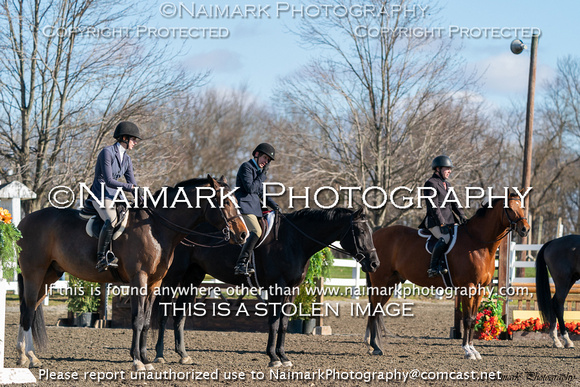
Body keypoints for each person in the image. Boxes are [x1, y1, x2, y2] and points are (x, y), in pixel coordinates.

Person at [90, 121, 141, 272]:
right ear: (124, 138)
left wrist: (142, 197)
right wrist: (128, 187)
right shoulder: (107, 152)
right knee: (111, 219)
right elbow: (109, 180)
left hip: (114, 196)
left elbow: (132, 182)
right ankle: (101, 258)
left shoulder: (127, 159)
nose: (135, 142)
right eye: (133, 139)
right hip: (100, 194)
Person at [233, 143, 280, 276]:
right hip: (244, 207)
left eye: (268, 161)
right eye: (265, 158)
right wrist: (262, 176)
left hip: (255, 208)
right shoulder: (246, 167)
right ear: (257, 154)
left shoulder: (257, 172)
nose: (266, 162)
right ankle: (241, 264)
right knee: (256, 231)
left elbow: (261, 193)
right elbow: (251, 189)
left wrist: (274, 205)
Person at [419, 155, 467, 278]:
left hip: (450, 221)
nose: (449, 171)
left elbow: (454, 202)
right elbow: (434, 207)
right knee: (445, 238)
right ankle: (433, 267)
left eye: (450, 169)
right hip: (434, 222)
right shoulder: (431, 183)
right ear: (438, 169)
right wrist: (441, 223)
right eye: (447, 168)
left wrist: (462, 215)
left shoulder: (447, 185)